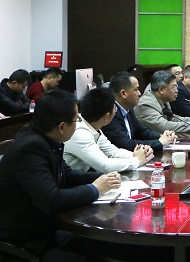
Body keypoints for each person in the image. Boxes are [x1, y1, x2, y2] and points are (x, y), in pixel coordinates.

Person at [0, 90, 121, 260]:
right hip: (23, 241)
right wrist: (94, 189)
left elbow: (66, 174)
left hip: (44, 230)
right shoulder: (30, 148)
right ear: (62, 127)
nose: (79, 123)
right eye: (77, 119)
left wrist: (102, 178)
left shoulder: (45, 138)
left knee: (99, 246)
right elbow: (51, 200)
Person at [63, 87, 154, 173]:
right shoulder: (80, 133)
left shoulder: (94, 127)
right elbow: (105, 166)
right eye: (115, 109)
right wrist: (137, 160)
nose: (115, 112)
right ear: (106, 116)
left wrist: (138, 154)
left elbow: (113, 152)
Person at [103, 71, 177, 153]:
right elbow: (125, 144)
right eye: (136, 90)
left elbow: (143, 132)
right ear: (123, 93)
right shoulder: (110, 113)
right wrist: (159, 142)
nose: (139, 93)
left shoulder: (128, 110)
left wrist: (163, 136)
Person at [134, 70, 190, 138]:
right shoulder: (146, 104)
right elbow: (165, 127)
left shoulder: (164, 100)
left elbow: (172, 118)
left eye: (176, 87)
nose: (177, 91)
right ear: (161, 90)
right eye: (174, 87)